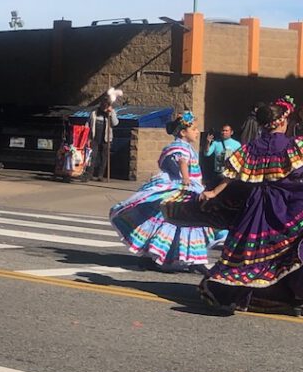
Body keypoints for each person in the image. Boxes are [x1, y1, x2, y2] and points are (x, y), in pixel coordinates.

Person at [199, 96, 303, 313]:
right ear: (283, 122)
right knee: (285, 248)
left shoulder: (251, 147)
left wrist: (213, 192)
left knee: (249, 252)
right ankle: (284, 293)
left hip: (256, 205)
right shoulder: (293, 145)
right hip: (285, 203)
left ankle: (245, 294)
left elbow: (230, 174)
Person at [109, 110, 225, 271]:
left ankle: (155, 256)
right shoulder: (180, 146)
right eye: (194, 129)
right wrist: (186, 178)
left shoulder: (184, 146)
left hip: (186, 187)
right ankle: (192, 260)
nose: (197, 132)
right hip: (181, 189)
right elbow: (182, 161)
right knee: (189, 223)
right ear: (183, 132)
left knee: (173, 224)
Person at [87, 93, 118, 181]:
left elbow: (115, 123)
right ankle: (90, 174)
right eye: (102, 105)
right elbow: (88, 124)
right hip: (94, 138)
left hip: (106, 139)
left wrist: (111, 114)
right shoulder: (94, 113)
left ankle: (100, 175)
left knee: (104, 158)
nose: (104, 108)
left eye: (106, 106)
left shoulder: (111, 112)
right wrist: (88, 138)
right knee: (92, 156)